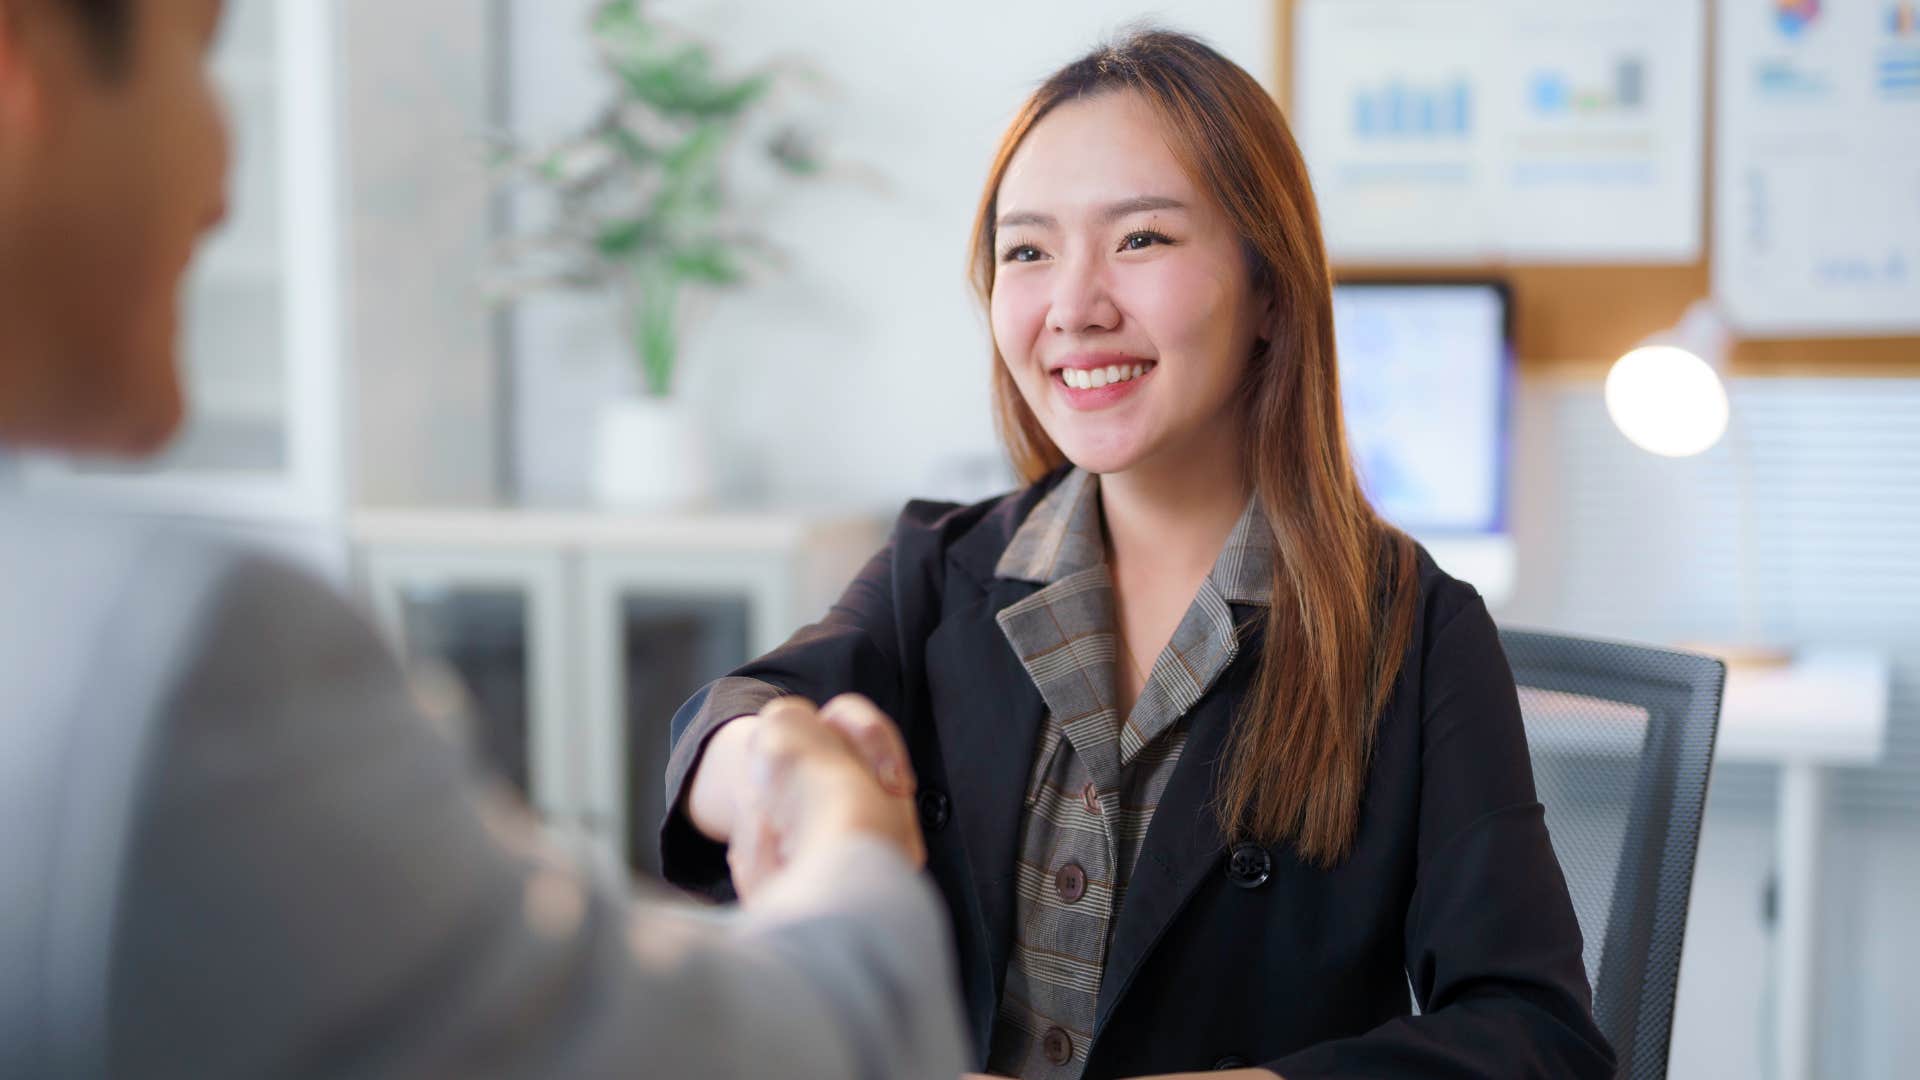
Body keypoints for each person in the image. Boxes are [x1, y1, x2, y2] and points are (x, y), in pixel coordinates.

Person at [0, 1, 966, 1076]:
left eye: (1143, 237)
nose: (228, 187)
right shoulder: (171, 664)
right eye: (200, 55)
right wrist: (846, 829)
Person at [663, 28, 1616, 1080]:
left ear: (1268, 289)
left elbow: (1537, 1037)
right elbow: (723, 726)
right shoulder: (940, 566)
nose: (1074, 307)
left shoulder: (1414, 629)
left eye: (1143, 239)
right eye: (1028, 251)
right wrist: (771, 772)